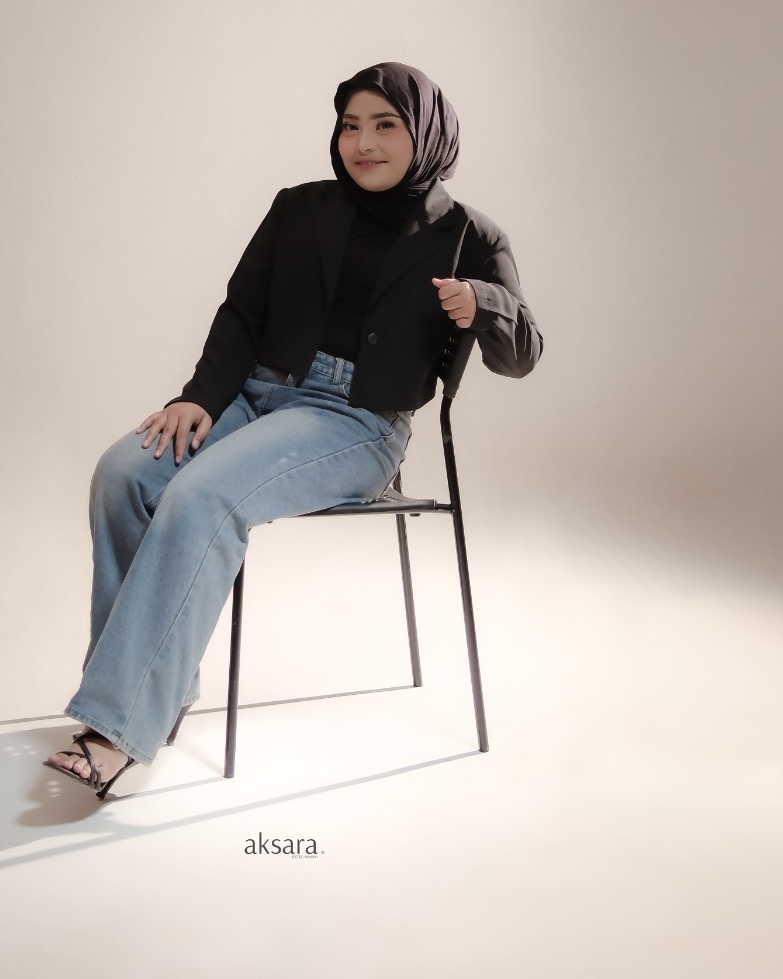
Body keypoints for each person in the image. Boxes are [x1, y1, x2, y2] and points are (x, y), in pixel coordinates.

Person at [43, 61, 542, 798]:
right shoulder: (300, 207)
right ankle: (153, 688)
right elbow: (242, 312)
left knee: (203, 495)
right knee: (125, 472)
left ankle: (116, 728)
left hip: (356, 421)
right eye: (350, 126)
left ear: (427, 134)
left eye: (385, 126)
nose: (363, 143)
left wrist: (484, 303)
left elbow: (523, 354)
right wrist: (200, 398)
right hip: (256, 395)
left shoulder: (472, 235)